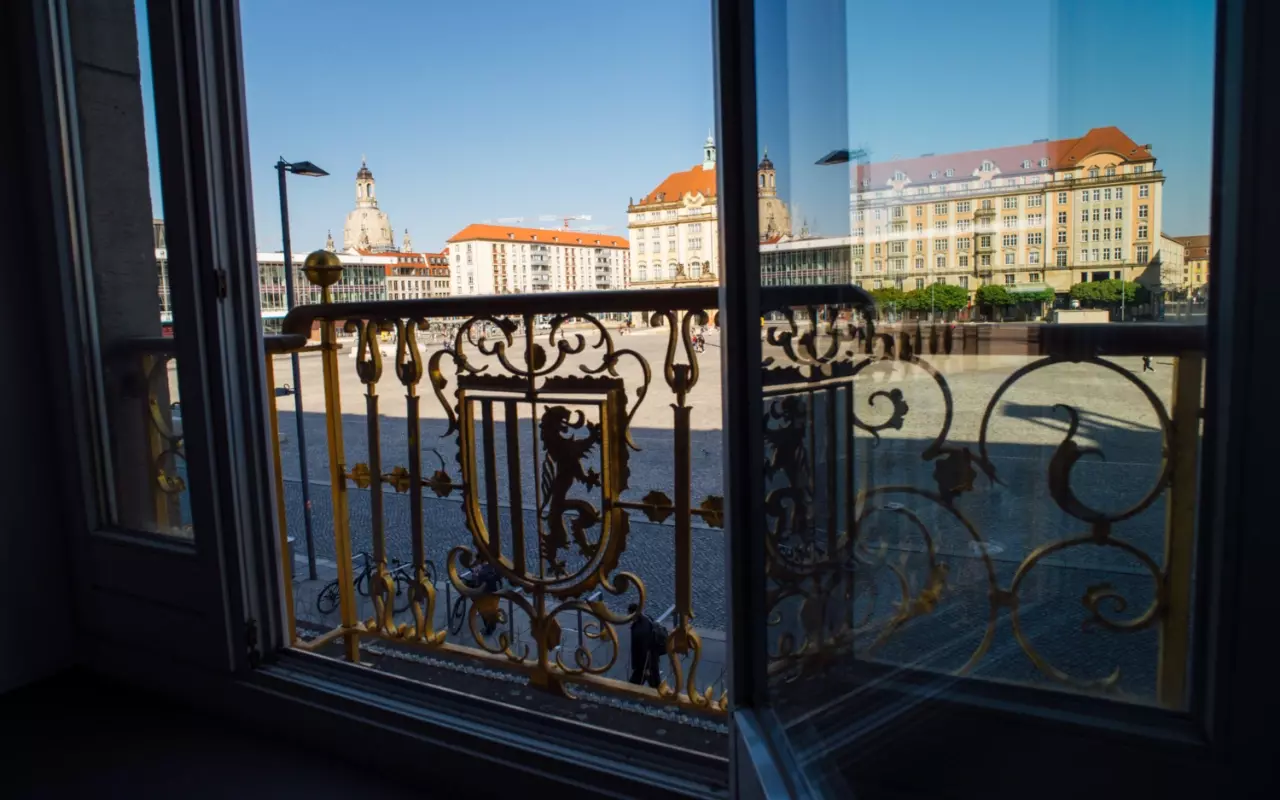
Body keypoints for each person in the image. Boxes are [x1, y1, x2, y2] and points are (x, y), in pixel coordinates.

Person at [627, 603, 663, 688]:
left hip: (644, 664)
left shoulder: (639, 631)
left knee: (634, 686)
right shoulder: (647, 618)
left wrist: (646, 668)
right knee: (655, 683)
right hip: (653, 658)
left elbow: (643, 650)